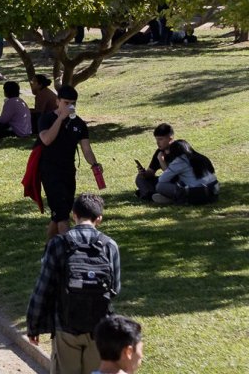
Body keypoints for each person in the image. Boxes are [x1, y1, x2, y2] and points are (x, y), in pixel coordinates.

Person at [27, 194, 121, 374]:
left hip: (65, 326)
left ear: (74, 215)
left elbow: (43, 288)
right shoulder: (109, 246)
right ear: (99, 219)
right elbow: (115, 288)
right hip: (98, 328)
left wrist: (33, 325)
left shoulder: (58, 243)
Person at [38, 84, 103, 239]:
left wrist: (94, 164)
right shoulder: (46, 119)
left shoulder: (79, 124)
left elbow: (86, 149)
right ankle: (71, 248)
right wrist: (60, 118)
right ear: (57, 101)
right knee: (62, 216)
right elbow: (46, 139)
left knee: (60, 214)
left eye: (72, 103)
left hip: (68, 171)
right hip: (50, 171)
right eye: (66, 103)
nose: (69, 107)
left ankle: (50, 248)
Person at [152, 139, 219, 205]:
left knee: (160, 186)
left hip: (199, 194)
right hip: (213, 192)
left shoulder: (180, 161)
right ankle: (176, 198)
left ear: (174, 151)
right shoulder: (201, 157)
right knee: (181, 181)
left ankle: (177, 199)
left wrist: (161, 160)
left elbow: (162, 180)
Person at [134, 123, 173, 199]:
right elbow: (151, 172)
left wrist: (161, 160)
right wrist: (144, 173)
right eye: (156, 139)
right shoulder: (159, 152)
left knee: (162, 184)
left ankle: (147, 193)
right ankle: (151, 194)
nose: (158, 143)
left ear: (170, 139)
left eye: (160, 139)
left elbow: (171, 176)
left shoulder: (177, 150)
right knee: (140, 178)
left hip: (176, 182)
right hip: (164, 181)